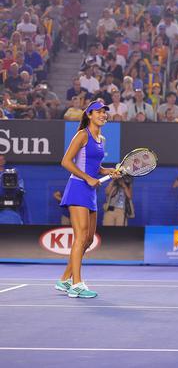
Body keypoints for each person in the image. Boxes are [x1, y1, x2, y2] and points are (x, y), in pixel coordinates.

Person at [57, 101, 120, 298]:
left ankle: (64, 279)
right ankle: (76, 284)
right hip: (77, 187)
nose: (103, 115)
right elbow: (66, 161)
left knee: (89, 239)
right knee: (81, 237)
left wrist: (108, 171)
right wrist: (87, 178)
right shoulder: (82, 135)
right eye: (99, 112)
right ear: (90, 115)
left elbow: (95, 166)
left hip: (90, 190)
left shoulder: (101, 139)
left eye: (105, 112)